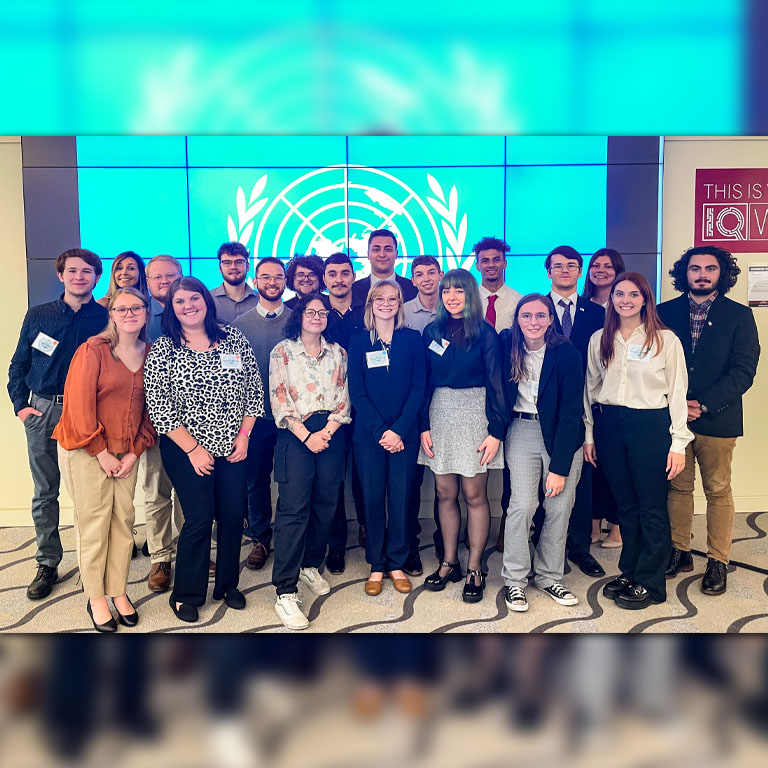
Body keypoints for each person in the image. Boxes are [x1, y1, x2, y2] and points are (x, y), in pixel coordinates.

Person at [144, 277, 264, 623]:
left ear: (206, 302)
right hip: (186, 450)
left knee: (230, 516)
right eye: (180, 302)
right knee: (198, 519)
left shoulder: (232, 338)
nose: (188, 306)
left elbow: (253, 390)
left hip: (233, 447)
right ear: (172, 308)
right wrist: (194, 449)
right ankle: (187, 593)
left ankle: (227, 585)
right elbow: (160, 408)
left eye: (194, 299)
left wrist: (244, 435)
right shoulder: (164, 349)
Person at [584, 272, 693, 610]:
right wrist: (590, 435)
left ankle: (651, 581)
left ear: (645, 299)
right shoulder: (599, 338)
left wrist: (678, 443)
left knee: (651, 506)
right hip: (610, 425)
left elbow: (677, 394)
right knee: (625, 506)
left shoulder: (665, 340)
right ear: (611, 298)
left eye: (633, 294)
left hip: (650, 426)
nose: (625, 300)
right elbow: (590, 391)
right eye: (619, 294)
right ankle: (630, 571)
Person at [52, 288, 156, 631]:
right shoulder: (93, 350)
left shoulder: (151, 353)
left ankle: (118, 590)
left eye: (136, 308)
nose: (129, 314)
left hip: (127, 453)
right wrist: (101, 453)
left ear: (145, 313)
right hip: (86, 450)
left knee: (123, 522)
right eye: (121, 308)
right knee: (94, 525)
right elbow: (78, 407)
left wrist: (134, 452)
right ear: (111, 314)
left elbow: (151, 411)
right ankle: (96, 597)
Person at [658, 246, 760, 595]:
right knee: (678, 488)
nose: (702, 274)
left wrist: (704, 403)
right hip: (674, 422)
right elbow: (653, 365)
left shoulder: (739, 316)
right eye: (695, 268)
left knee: (718, 490)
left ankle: (718, 559)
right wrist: (675, 405)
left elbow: (745, 369)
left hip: (718, 418)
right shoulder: (663, 312)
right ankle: (680, 551)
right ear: (683, 273)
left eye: (710, 269)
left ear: (722, 274)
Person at [8, 248, 108, 600]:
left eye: (87, 271)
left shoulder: (106, 318)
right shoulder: (39, 315)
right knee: (45, 492)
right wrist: (21, 406)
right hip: (44, 411)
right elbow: (18, 365)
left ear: (97, 277)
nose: (80, 276)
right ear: (61, 275)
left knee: (91, 494)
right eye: (73, 271)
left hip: (89, 415)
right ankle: (47, 561)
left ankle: (94, 562)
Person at [419, 268, 507, 603]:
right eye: (446, 291)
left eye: (459, 291)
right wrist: (423, 426)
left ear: (471, 294)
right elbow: (423, 382)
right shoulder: (431, 330)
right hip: (439, 412)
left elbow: (498, 385)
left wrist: (496, 431)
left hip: (475, 414)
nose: (452, 297)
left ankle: (475, 568)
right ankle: (449, 562)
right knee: (444, 491)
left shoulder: (485, 333)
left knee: (474, 494)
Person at [269, 293, 351, 630]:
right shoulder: (283, 352)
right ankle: (285, 591)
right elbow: (280, 400)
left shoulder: (338, 353)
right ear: (299, 316)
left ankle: (310, 565)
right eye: (310, 311)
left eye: (322, 312)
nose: (317, 316)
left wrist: (327, 432)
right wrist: (308, 437)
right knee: (293, 509)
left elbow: (344, 398)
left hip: (331, 432)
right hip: (296, 434)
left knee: (325, 503)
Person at [499, 294, 584, 613]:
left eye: (540, 316)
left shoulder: (566, 353)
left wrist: (560, 467)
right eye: (526, 316)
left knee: (559, 505)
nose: (533, 321)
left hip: (562, 435)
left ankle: (549, 576)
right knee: (522, 504)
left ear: (551, 320)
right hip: (521, 430)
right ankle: (515, 580)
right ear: (517, 320)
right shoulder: (508, 346)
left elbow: (571, 411)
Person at [348, 281, 426, 596]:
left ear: (400, 304)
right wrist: (382, 431)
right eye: (379, 298)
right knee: (372, 499)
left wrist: (399, 430)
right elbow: (357, 393)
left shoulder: (412, 339)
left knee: (401, 499)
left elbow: (418, 388)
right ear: (370, 303)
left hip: (404, 437)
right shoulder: (358, 341)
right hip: (369, 437)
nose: (386, 303)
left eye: (393, 298)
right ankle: (376, 565)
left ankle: (396, 561)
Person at [545, 245, 606, 578]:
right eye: (558, 266)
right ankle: (542, 545)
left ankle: (580, 548)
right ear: (548, 272)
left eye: (571, 265)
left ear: (580, 271)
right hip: (540, 407)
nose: (565, 270)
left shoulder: (596, 313)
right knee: (541, 479)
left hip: (584, 405)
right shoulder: (535, 309)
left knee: (582, 482)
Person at [233, 257, 292, 571]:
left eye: (278, 277)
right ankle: (259, 538)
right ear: (255, 281)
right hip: (253, 420)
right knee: (255, 481)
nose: (272, 282)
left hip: (292, 419)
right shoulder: (240, 325)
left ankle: (286, 535)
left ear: (285, 281)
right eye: (265, 277)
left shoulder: (298, 319)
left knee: (288, 479)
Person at [142, 254, 185, 592]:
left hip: (193, 425)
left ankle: (190, 549)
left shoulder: (191, 311)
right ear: (148, 279)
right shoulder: (140, 316)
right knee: (157, 492)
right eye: (157, 277)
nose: (165, 281)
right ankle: (160, 556)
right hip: (153, 422)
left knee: (189, 491)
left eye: (171, 275)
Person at [322, 252, 366, 573]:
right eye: (332, 274)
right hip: (328, 410)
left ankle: (367, 526)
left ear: (353, 276)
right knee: (333, 478)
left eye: (345, 273)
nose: (339, 279)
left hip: (364, 405)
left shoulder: (367, 311)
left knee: (365, 473)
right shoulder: (313, 311)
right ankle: (335, 543)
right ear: (325, 279)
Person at [583, 248, 626, 549]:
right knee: (593, 465)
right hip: (592, 397)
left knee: (619, 467)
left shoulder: (627, 303)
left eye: (607, 266)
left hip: (623, 401)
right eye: (595, 265)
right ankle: (594, 521)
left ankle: (618, 526)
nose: (600, 270)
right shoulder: (584, 307)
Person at [403, 255, 443, 573]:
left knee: (448, 484)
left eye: (432, 272)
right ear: (412, 280)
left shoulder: (455, 309)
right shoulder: (401, 312)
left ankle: (446, 542)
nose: (427, 278)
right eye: (420, 274)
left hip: (447, 407)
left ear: (441, 275)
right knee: (411, 484)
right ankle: (411, 546)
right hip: (411, 408)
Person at [351, 230, 418, 303]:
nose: (382, 254)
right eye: (376, 249)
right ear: (368, 254)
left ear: (396, 254)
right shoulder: (353, 290)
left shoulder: (413, 289)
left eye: (388, 249)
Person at [210, 241, 260, 323]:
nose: (233, 267)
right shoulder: (208, 300)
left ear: (247, 267)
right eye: (227, 263)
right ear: (220, 268)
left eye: (239, 262)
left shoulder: (260, 300)